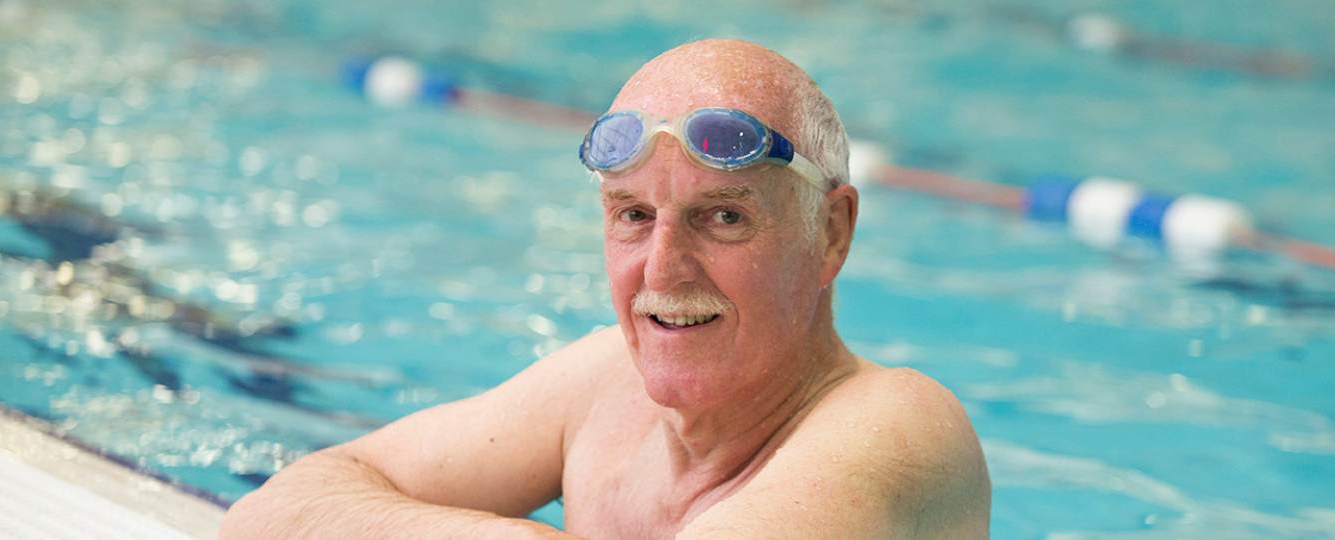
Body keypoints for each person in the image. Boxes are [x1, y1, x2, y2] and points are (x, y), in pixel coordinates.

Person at [220, 38, 989, 539]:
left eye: (722, 216)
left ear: (831, 234)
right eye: (633, 215)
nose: (661, 271)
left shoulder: (899, 428)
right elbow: (269, 516)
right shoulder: (603, 387)